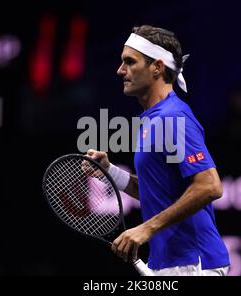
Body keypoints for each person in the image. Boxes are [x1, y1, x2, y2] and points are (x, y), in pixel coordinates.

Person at [86, 25, 230, 276]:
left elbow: (210, 186)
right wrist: (110, 171)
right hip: (168, 263)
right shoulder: (152, 120)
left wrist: (145, 229)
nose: (120, 70)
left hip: (194, 263)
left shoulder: (174, 116)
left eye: (130, 62)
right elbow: (158, 193)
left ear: (157, 68)